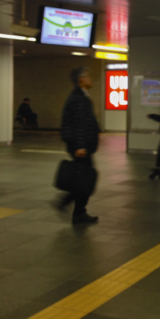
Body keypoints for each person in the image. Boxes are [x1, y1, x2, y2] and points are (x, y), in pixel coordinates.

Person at [56, 67, 99, 224]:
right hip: (80, 146)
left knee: (84, 178)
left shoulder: (81, 95)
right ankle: (68, 204)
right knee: (86, 178)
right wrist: (80, 146)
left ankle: (78, 211)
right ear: (81, 80)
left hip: (81, 145)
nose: (90, 79)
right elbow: (79, 124)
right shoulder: (78, 98)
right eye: (87, 76)